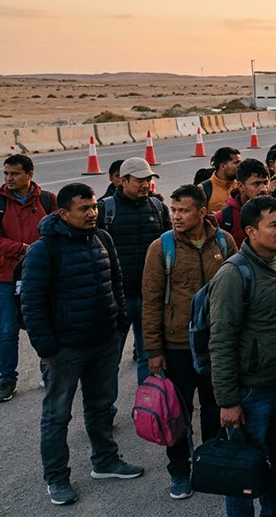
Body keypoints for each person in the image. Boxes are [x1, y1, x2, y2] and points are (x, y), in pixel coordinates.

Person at [23, 183, 144, 506]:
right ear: (63, 214)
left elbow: (115, 282)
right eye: (84, 209)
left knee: (100, 407)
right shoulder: (44, 250)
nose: (93, 213)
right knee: (57, 416)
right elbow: (31, 305)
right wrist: (47, 348)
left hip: (104, 341)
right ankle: (57, 478)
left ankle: (105, 461)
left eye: (93, 207)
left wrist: (119, 323)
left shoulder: (102, 238)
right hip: (65, 350)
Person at [210, 195, 276, 517]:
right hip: (252, 392)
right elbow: (221, 341)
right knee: (243, 469)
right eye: (274, 224)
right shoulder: (233, 274)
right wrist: (228, 401)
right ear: (252, 232)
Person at [142, 184, 237, 500]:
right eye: (173, 210)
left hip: (216, 345)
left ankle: (209, 464)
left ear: (201, 212)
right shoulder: (162, 247)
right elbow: (152, 301)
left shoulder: (224, 242)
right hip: (177, 346)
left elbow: (238, 291)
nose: (177, 216)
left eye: (183, 211)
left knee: (215, 409)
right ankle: (180, 472)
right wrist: (154, 350)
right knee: (177, 414)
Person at [0, 154, 56, 403]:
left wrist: (41, 254)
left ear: (29, 174)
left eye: (14, 173)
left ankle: (49, 373)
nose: (9, 178)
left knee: (46, 323)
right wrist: (24, 249)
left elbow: (58, 230)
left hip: (41, 275)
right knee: (8, 329)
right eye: (5, 173)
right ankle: (7, 381)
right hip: (7, 276)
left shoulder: (48, 200)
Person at [97, 157, 171, 390]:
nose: (145, 185)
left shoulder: (158, 208)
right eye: (139, 180)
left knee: (149, 358)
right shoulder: (104, 209)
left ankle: (146, 409)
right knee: (110, 360)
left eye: (148, 179)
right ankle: (104, 411)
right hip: (118, 298)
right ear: (123, 180)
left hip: (150, 297)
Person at [215, 159, 271, 247]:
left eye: (266, 182)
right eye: (256, 184)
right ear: (241, 186)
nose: (263, 188)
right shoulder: (224, 217)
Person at [200, 147, 241, 214]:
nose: (240, 166)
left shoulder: (241, 186)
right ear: (223, 166)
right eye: (236, 163)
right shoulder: (204, 189)